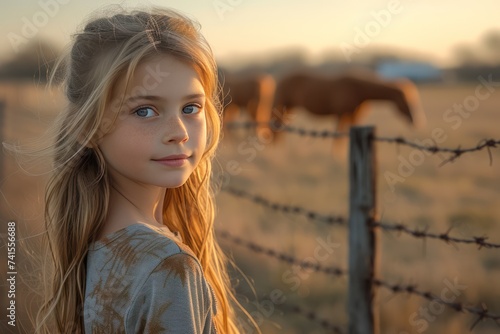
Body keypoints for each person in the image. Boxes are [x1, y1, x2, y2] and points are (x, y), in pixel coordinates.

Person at [18, 6, 254, 334]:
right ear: (88, 127)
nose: (180, 131)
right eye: (144, 110)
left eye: (191, 107)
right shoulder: (168, 268)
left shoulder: (95, 234)